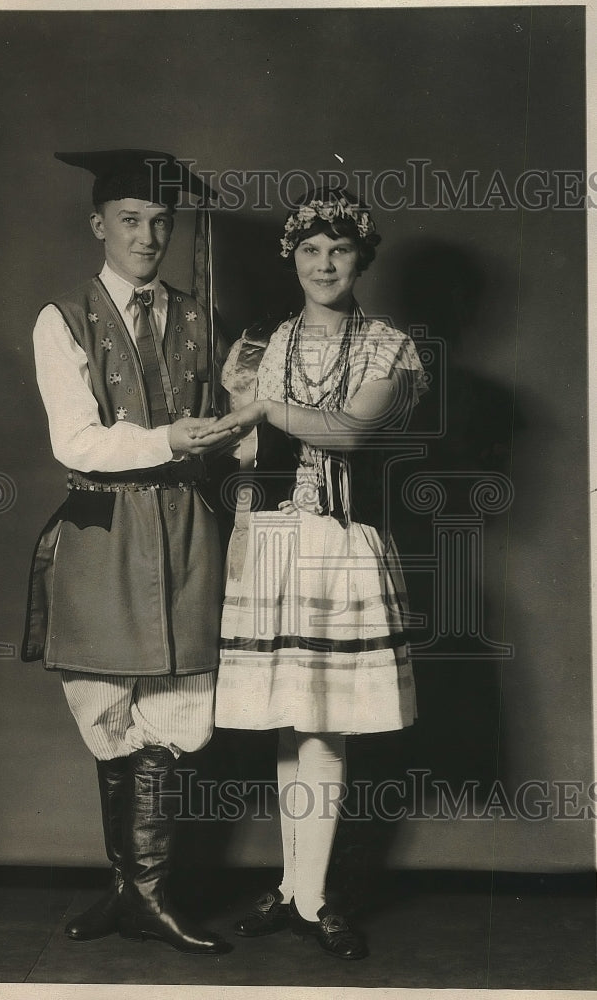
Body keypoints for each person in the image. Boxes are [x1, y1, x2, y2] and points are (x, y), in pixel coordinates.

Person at [194, 187, 427, 959]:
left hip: (341, 544)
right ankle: (298, 893)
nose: (324, 264)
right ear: (291, 258)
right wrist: (235, 404)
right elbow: (252, 457)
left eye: (340, 250)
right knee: (293, 719)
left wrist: (259, 407)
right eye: (310, 250)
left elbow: (350, 433)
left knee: (323, 719)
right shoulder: (264, 343)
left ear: (362, 257)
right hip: (270, 540)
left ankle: (315, 895)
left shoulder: (389, 346)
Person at [22, 149, 234, 955]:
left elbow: (214, 431)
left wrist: (232, 435)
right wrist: (170, 438)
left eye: (160, 222)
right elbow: (74, 439)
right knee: (108, 707)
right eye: (130, 221)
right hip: (104, 528)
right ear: (98, 224)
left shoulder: (196, 316)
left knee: (178, 706)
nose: (148, 236)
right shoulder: (63, 318)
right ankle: (132, 889)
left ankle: (144, 893)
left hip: (183, 525)